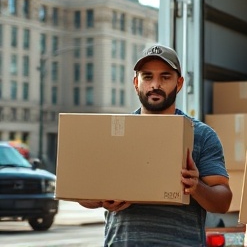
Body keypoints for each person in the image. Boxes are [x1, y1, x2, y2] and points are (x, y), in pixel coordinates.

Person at [77, 44, 232, 246]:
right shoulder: (115, 133)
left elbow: (223, 202)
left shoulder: (201, 135)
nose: (155, 85)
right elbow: (81, 194)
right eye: (147, 77)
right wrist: (101, 199)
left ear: (179, 83)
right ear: (136, 82)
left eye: (165, 77)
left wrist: (196, 187)